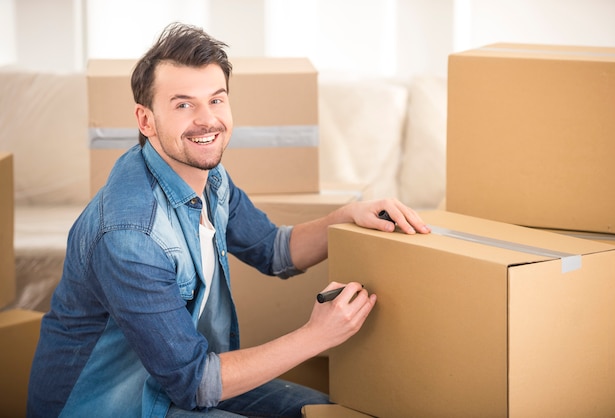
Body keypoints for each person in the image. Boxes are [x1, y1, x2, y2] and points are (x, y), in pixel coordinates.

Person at [27, 22, 430, 418]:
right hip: (114, 403)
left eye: (216, 100)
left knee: (322, 412)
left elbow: (272, 250)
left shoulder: (210, 178)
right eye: (184, 104)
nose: (207, 120)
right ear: (145, 120)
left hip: (177, 380)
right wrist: (316, 336)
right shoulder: (130, 233)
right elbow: (195, 382)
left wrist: (344, 218)